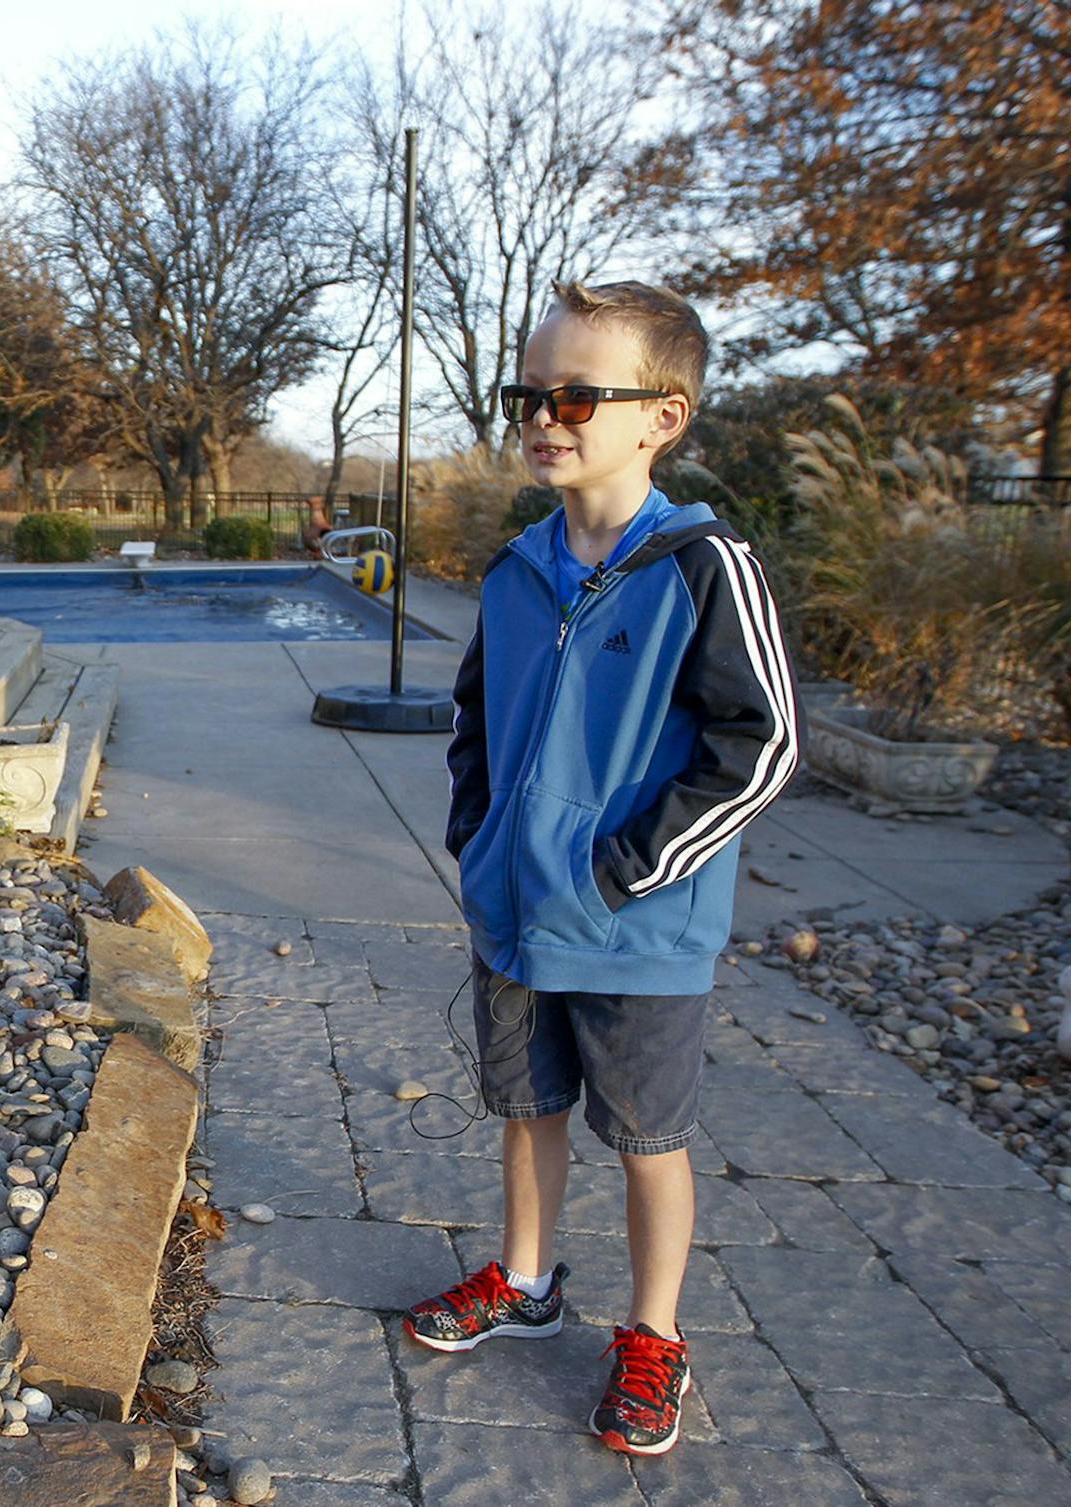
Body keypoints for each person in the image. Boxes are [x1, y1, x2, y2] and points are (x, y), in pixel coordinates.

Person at [406, 279, 801, 1459]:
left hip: (640, 931)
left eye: (577, 393)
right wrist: (477, 836)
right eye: (530, 392)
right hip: (516, 914)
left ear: (660, 417)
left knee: (647, 1134)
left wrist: (633, 867)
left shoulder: (701, 564)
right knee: (526, 1108)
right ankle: (526, 1280)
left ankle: (654, 1331)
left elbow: (764, 742)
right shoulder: (516, 566)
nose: (546, 413)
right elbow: (475, 714)